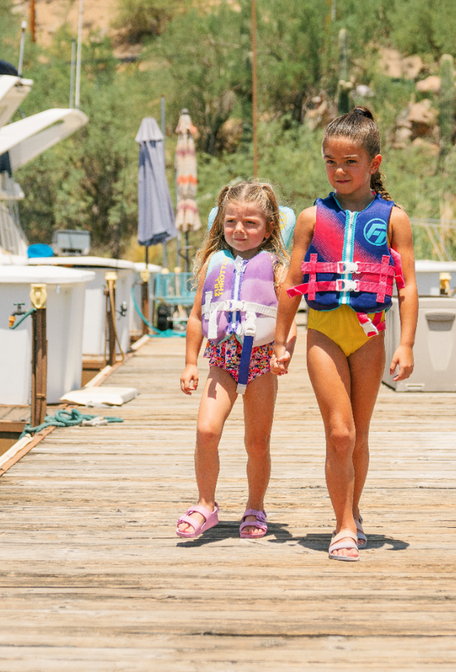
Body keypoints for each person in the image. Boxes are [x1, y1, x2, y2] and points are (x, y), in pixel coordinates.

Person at [273, 107, 417, 561]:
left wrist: (407, 343)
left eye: (350, 161)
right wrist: (281, 340)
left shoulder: (394, 218)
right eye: (331, 161)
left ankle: (352, 511)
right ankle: (343, 526)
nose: (339, 170)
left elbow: (408, 286)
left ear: (374, 163)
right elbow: (292, 281)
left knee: (359, 434)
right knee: (339, 433)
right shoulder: (312, 218)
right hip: (324, 331)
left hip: (369, 332)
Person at [176, 181, 296, 540]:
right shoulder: (215, 264)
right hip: (221, 361)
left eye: (250, 223)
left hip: (260, 362)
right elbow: (198, 317)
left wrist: (283, 351)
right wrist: (189, 363)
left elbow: (289, 320)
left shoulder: (276, 267)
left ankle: (255, 506)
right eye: (230, 222)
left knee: (257, 442)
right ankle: (206, 504)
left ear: (269, 227)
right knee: (206, 431)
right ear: (220, 225)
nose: (239, 230)